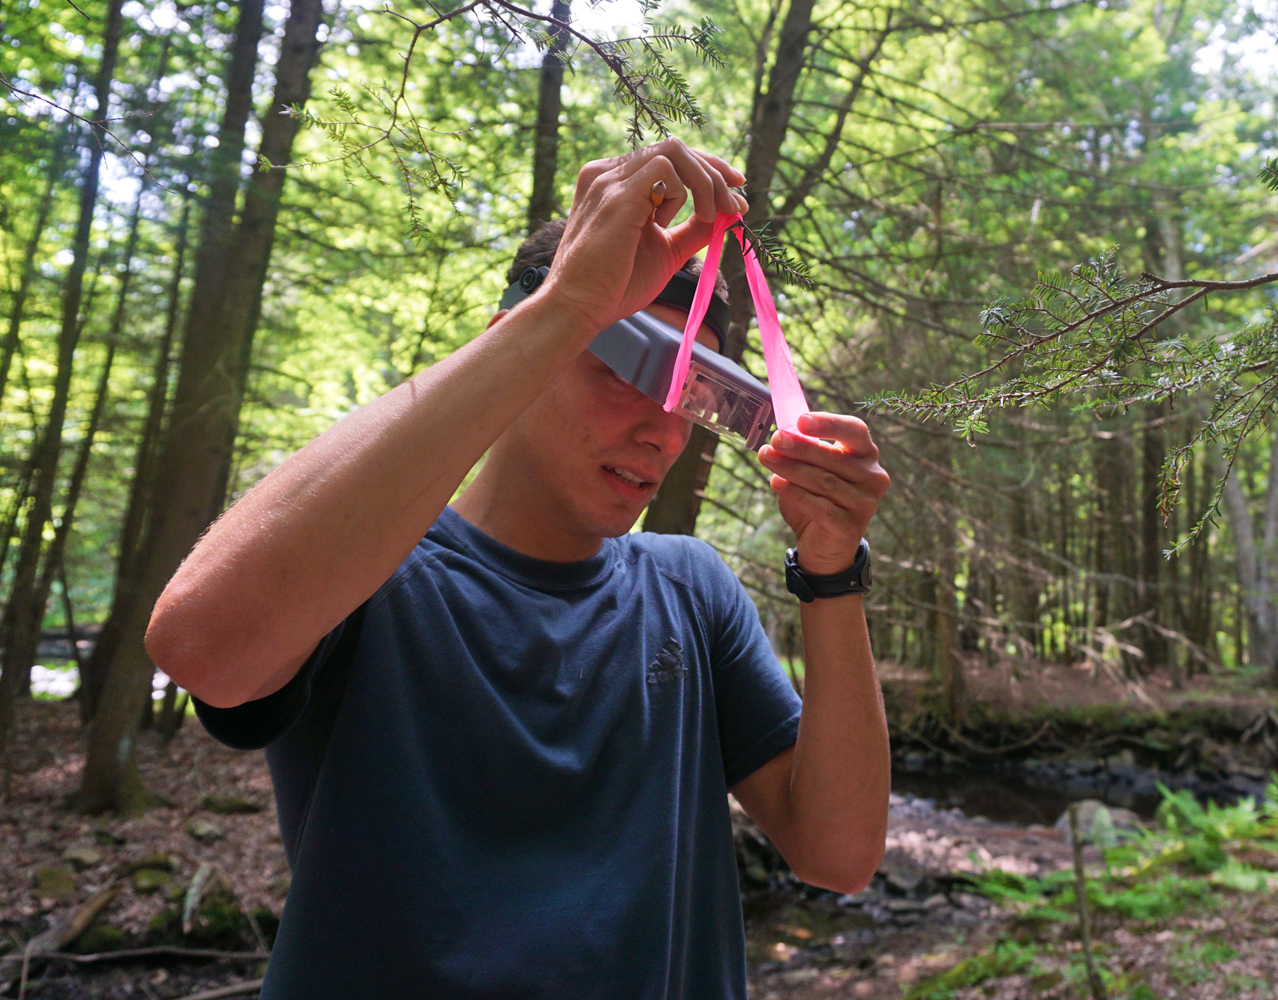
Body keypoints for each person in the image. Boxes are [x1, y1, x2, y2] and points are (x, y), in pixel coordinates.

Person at [148, 139, 892, 999]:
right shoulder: (367, 570)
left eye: (691, 393)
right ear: (519, 344)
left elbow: (839, 856)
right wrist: (568, 304)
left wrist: (832, 574)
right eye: (630, 368)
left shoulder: (690, 589)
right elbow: (202, 645)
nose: (664, 431)